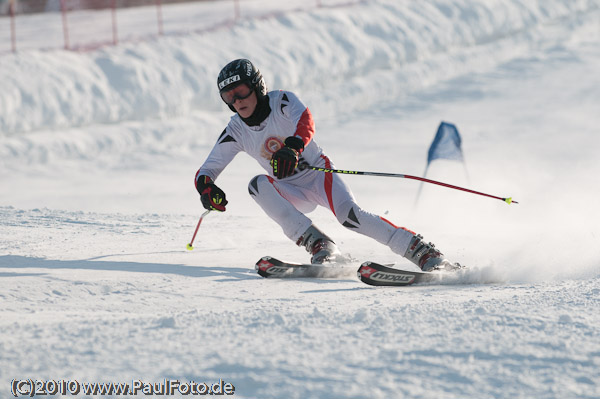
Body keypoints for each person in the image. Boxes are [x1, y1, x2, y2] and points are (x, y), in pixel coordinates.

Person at [195, 58, 453, 269]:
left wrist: (293, 147)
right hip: (291, 191)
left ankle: (422, 252)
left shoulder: (282, 101)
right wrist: (207, 189)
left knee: (351, 217)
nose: (237, 101)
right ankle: (320, 245)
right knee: (257, 185)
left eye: (240, 91)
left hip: (319, 176)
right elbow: (206, 170)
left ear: (257, 86)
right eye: (228, 97)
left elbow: (306, 121)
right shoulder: (236, 130)